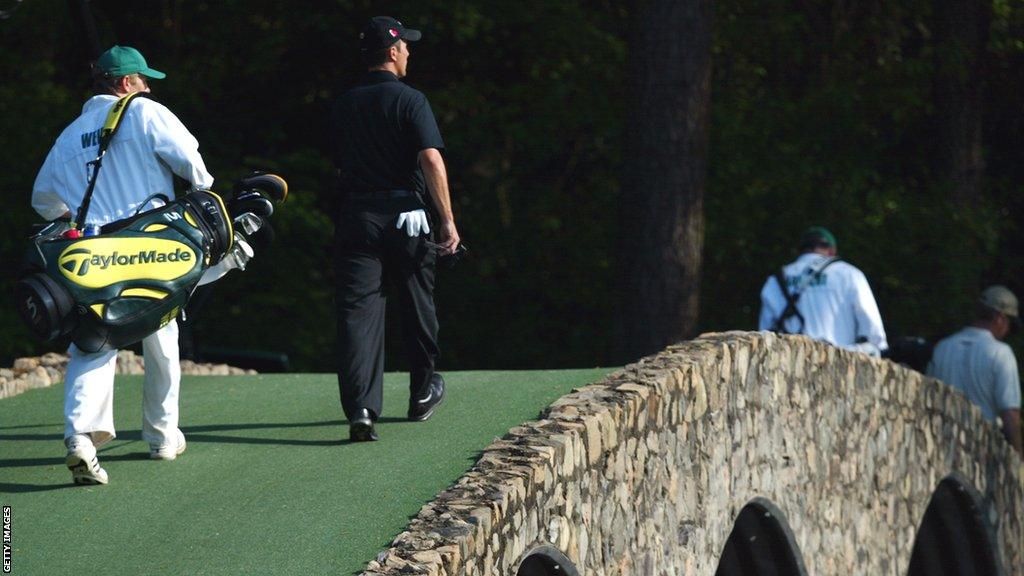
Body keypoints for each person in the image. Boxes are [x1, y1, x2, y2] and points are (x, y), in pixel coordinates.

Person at [32, 45, 213, 484]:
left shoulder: (70, 133)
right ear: (125, 83)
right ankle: (163, 436)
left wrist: (75, 213)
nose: (148, 86)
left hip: (91, 252)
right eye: (143, 79)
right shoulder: (145, 112)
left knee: (93, 341)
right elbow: (194, 166)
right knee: (162, 333)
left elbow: (42, 200)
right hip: (149, 244)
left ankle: (80, 438)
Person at [329, 16, 459, 442]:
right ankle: (422, 391)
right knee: (417, 304)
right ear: (391, 51)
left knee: (359, 314)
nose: (409, 53)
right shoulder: (410, 100)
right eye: (406, 46)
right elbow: (432, 159)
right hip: (408, 217)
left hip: (358, 217)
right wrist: (448, 221)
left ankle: (362, 409)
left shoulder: (344, 102)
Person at [759, 226, 888, 356]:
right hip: (838, 362)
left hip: (788, 362)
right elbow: (873, 330)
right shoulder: (849, 274)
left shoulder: (775, 280)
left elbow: (765, 332)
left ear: (800, 250)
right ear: (832, 251)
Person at [927, 286, 1022, 456]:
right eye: (1009, 323)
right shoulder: (1001, 353)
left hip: (942, 443)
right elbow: (1010, 414)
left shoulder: (943, 347)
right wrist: (1018, 458)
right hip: (981, 449)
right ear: (1000, 318)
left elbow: (928, 396)